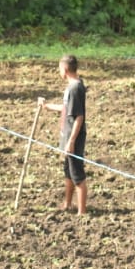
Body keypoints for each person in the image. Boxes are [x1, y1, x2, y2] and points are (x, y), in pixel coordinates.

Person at [37, 55, 88, 214]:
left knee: (77, 174)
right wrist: (47, 106)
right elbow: (67, 109)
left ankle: (82, 211)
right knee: (68, 171)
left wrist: (71, 141)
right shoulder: (72, 87)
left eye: (59, 69)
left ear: (65, 70)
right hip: (67, 135)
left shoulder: (74, 89)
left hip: (74, 137)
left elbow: (79, 117)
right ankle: (67, 203)